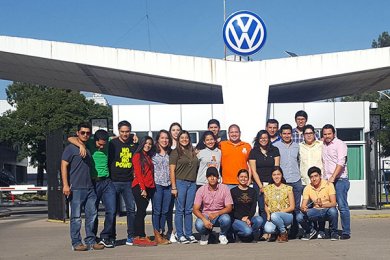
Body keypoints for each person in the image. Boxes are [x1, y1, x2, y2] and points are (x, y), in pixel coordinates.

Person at [68, 129, 117, 248]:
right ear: (94, 140)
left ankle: (105, 236)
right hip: (93, 182)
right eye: (99, 144)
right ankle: (92, 238)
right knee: (92, 212)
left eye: (103, 145)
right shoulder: (88, 142)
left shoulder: (107, 141)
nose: (101, 147)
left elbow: (117, 137)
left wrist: (133, 137)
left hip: (106, 181)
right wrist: (81, 145)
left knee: (112, 210)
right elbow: (70, 138)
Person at [61, 123, 104, 251]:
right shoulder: (70, 148)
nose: (85, 135)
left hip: (90, 187)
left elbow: (107, 139)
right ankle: (76, 243)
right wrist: (65, 185)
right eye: (82, 132)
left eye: (88, 133)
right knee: (76, 218)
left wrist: (133, 138)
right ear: (77, 133)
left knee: (92, 216)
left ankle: (90, 241)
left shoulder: (89, 145)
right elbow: (63, 165)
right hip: (76, 188)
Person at [108, 120, 138, 246]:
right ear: (118, 131)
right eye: (122, 132)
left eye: (127, 132)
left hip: (128, 182)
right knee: (112, 210)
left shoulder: (134, 143)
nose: (125, 134)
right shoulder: (112, 143)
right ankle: (111, 237)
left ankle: (131, 236)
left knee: (131, 209)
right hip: (114, 181)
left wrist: (134, 135)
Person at [248, 130, 280, 240]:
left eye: (265, 137)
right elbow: (253, 170)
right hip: (259, 183)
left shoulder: (274, 150)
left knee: (273, 207)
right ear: (258, 139)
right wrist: (261, 186)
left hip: (272, 182)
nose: (263, 139)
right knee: (262, 207)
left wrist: (272, 184)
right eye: (261, 138)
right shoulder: (254, 152)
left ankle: (274, 231)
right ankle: (265, 231)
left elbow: (276, 168)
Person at [169, 130, 199, 244]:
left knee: (189, 210)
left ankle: (189, 234)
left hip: (192, 183)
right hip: (180, 183)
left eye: (186, 137)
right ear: (178, 139)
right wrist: (174, 186)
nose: (184, 139)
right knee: (180, 210)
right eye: (182, 138)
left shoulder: (192, 151)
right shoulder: (175, 152)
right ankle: (180, 234)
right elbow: (172, 170)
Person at [322, 124, 351, 240]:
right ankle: (332, 230)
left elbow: (341, 162)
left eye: (329, 133)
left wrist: (333, 177)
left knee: (342, 206)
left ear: (334, 134)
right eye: (325, 134)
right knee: (329, 207)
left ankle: (346, 232)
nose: (327, 136)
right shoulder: (323, 144)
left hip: (340, 179)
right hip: (327, 180)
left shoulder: (340, 144)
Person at [273, 124, 302, 239]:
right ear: (280, 134)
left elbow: (300, 161)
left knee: (295, 208)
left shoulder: (297, 146)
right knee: (282, 207)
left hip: (295, 180)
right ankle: (281, 230)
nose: (286, 135)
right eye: (284, 133)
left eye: (288, 133)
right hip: (282, 182)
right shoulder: (276, 146)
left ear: (292, 134)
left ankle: (294, 231)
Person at [297, 167, 339, 241]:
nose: (314, 179)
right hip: (315, 211)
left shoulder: (328, 185)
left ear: (320, 176)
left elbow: (333, 203)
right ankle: (310, 231)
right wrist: (303, 208)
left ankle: (333, 233)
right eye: (311, 177)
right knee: (299, 217)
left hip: (327, 210)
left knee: (333, 211)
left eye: (316, 176)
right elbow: (303, 204)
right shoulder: (307, 188)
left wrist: (322, 205)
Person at [193, 167, 233, 245]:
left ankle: (222, 235)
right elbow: (195, 209)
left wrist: (217, 214)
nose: (212, 178)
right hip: (206, 215)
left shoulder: (224, 188)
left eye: (214, 176)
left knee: (226, 219)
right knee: (199, 225)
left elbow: (229, 207)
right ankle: (205, 234)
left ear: (218, 177)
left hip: (219, 215)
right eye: (209, 176)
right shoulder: (201, 190)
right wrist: (204, 219)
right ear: (206, 178)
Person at [132, 136, 158, 246]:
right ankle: (140, 236)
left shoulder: (147, 156)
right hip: (139, 187)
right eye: (146, 143)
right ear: (142, 144)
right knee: (141, 212)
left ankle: (139, 235)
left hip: (148, 187)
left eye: (150, 144)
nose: (148, 145)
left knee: (141, 212)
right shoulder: (138, 156)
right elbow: (138, 174)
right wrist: (143, 189)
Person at [151, 130, 172, 245]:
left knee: (165, 211)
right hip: (157, 185)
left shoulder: (171, 153)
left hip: (168, 185)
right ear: (158, 139)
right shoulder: (153, 153)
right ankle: (156, 234)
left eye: (166, 138)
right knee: (157, 210)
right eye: (162, 138)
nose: (164, 140)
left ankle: (161, 232)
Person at [230, 169, 263, 242]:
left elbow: (253, 207)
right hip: (237, 219)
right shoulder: (232, 191)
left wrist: (248, 218)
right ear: (237, 178)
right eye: (241, 177)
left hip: (249, 217)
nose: (243, 179)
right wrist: (241, 218)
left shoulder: (252, 191)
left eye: (245, 177)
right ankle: (239, 234)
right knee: (247, 231)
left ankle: (252, 236)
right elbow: (231, 209)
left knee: (259, 220)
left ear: (248, 178)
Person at [263, 167, 295, 243]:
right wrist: (268, 214)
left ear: (282, 175)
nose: (276, 176)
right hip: (272, 216)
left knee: (275, 215)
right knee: (268, 229)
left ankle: (283, 233)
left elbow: (292, 207)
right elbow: (266, 204)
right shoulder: (267, 188)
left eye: (278, 174)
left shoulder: (288, 188)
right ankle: (277, 232)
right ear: (271, 176)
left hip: (286, 215)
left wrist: (279, 212)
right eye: (274, 175)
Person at [219, 124, 252, 189]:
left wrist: (250, 179)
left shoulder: (247, 146)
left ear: (240, 133)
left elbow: (251, 165)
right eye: (232, 132)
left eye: (236, 132)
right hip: (227, 183)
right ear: (228, 133)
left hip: (243, 182)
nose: (234, 134)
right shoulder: (222, 145)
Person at [167, 122, 182, 242]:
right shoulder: (166, 146)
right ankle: (170, 231)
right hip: (167, 182)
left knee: (179, 209)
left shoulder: (184, 146)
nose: (176, 132)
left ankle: (179, 232)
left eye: (178, 130)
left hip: (180, 181)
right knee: (168, 208)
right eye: (173, 130)